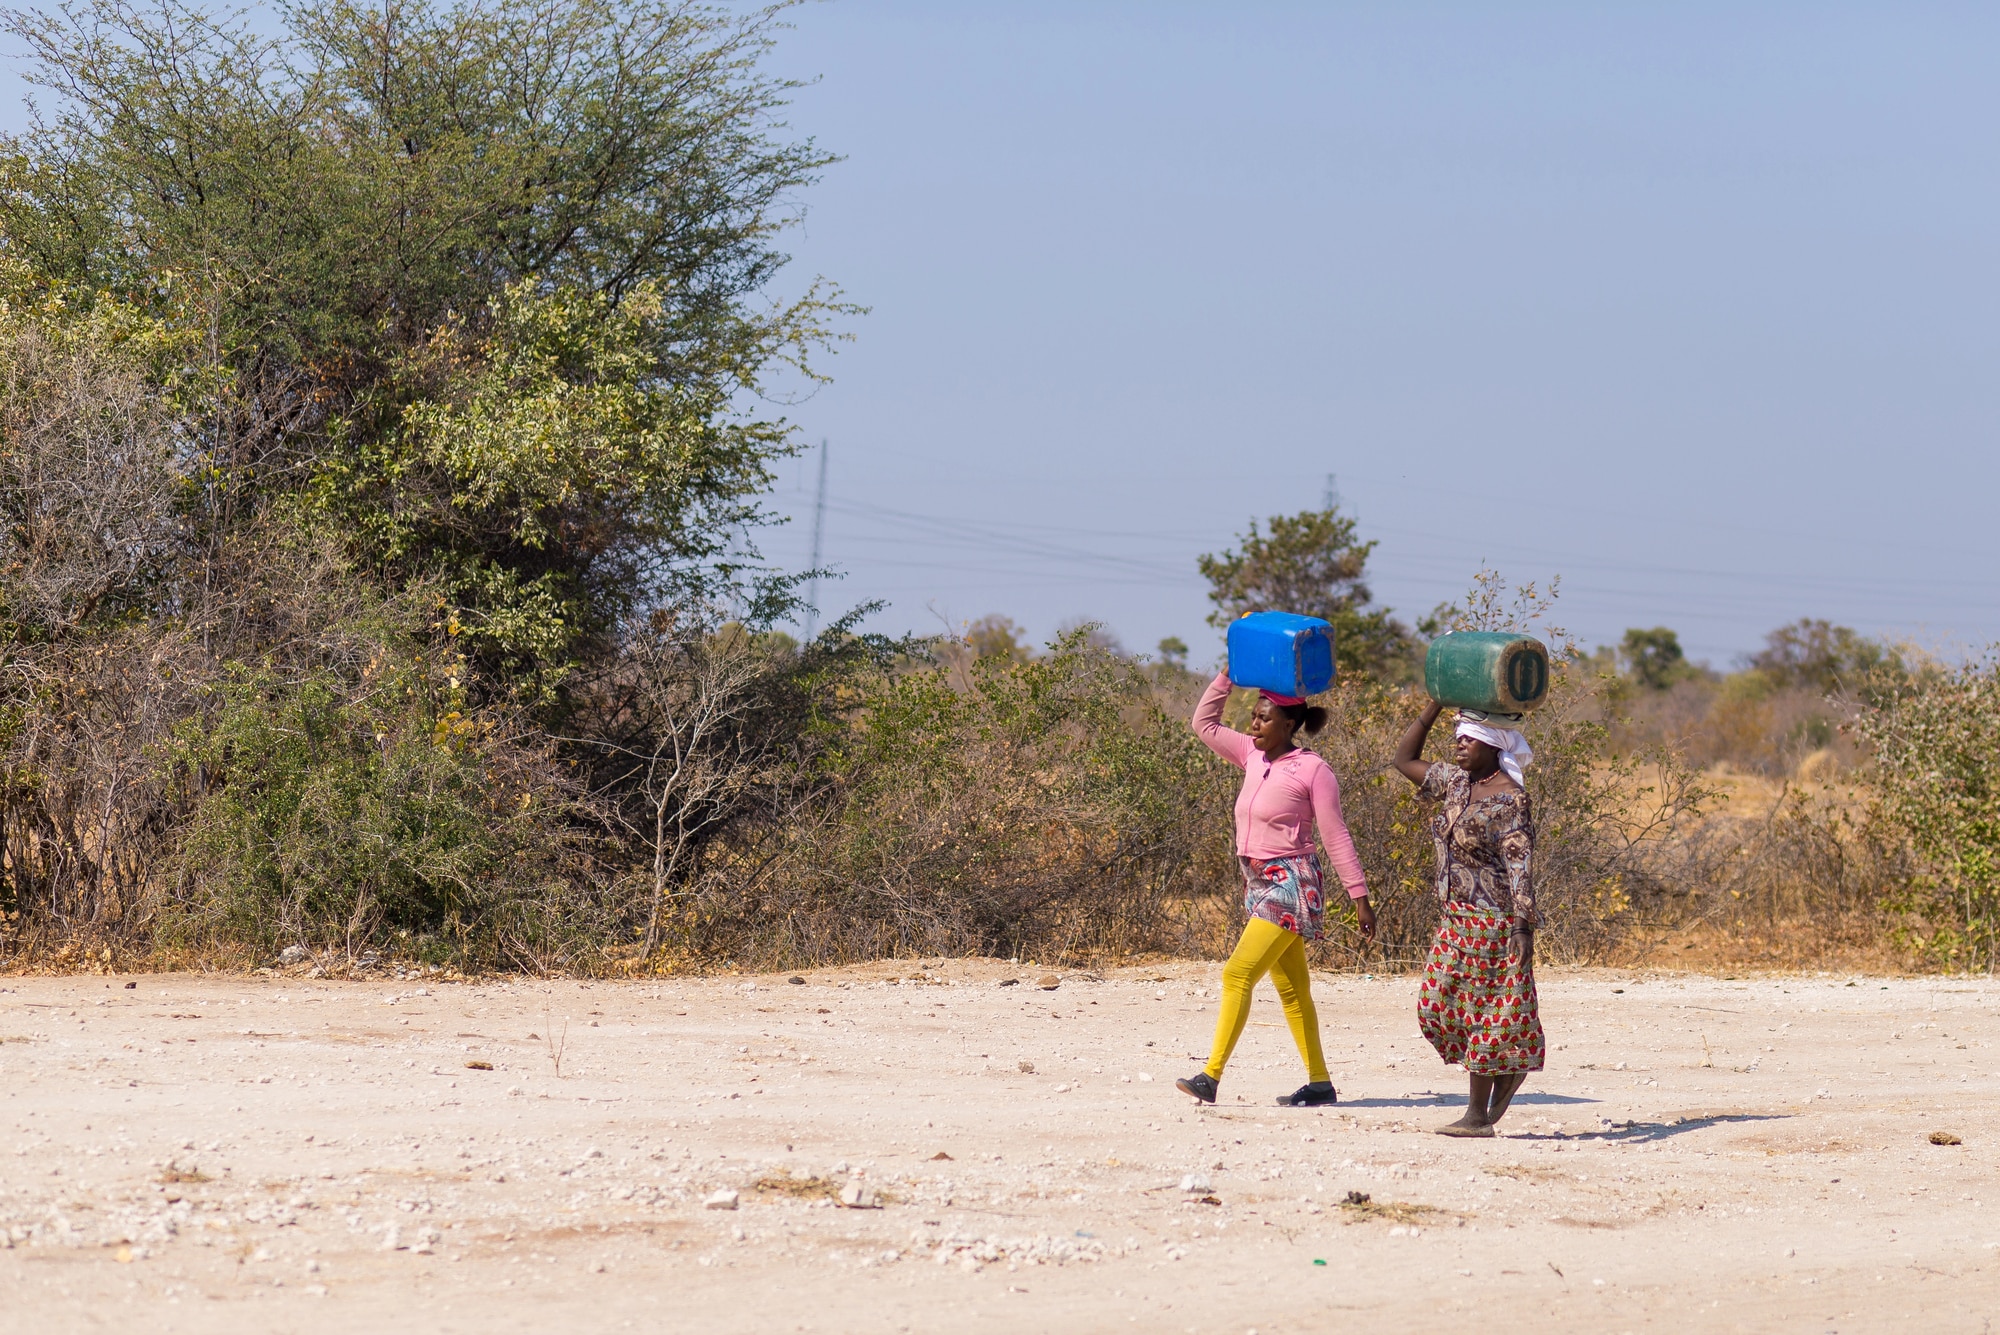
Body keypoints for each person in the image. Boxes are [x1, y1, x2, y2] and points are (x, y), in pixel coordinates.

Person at [1176, 671, 1376, 1108]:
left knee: (1237, 974)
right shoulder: (1251, 754)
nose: (1253, 724)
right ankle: (1320, 1083)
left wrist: (1359, 896)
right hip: (1258, 881)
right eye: (1253, 716)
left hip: (1292, 883)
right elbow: (1203, 724)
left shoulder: (1313, 770)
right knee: (1292, 989)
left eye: (1264, 719)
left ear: (1288, 725)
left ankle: (1210, 1076)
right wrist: (1228, 675)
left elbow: (1335, 834)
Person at [1392, 700, 1543, 1138]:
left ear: (1494, 746)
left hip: (1493, 921)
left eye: (1469, 740)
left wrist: (1522, 926)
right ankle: (1508, 1071)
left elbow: (1520, 864)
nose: (1459, 745)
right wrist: (1434, 704)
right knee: (1435, 1005)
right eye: (1457, 738)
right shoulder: (1457, 783)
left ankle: (1477, 1115)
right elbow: (1403, 759)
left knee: (1482, 1012)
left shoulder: (1510, 800)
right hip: (1455, 916)